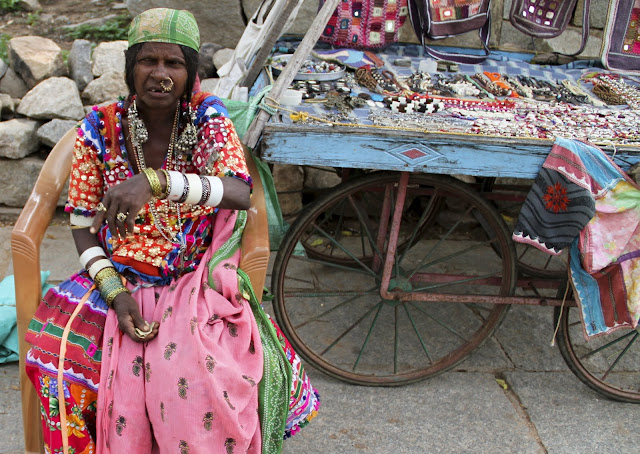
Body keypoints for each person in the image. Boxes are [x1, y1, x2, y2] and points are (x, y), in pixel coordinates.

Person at [24, 8, 319, 454]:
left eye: (174, 64)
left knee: (205, 373)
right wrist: (115, 293)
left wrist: (156, 181)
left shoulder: (204, 118)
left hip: (193, 280)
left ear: (190, 73)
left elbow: (239, 191)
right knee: (57, 357)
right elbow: (83, 225)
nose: (159, 74)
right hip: (114, 276)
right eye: (147, 61)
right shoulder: (99, 129)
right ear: (130, 68)